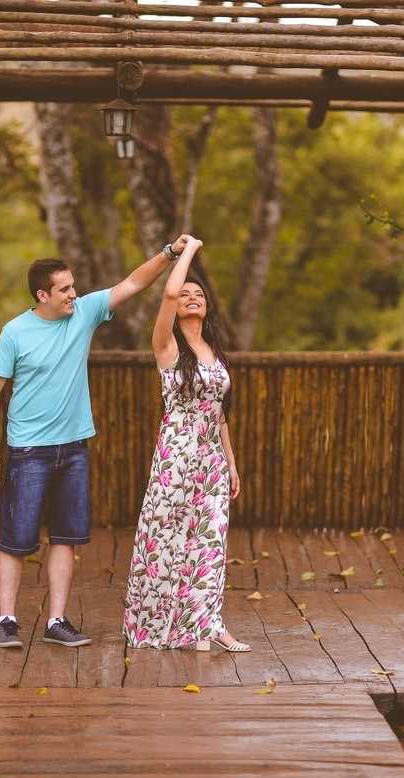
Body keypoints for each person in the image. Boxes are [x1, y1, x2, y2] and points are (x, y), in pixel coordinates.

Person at [0, 236, 191, 649]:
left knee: (67, 537)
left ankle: (56, 621)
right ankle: (6, 621)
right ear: (43, 294)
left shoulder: (85, 312)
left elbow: (133, 283)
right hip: (27, 451)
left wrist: (170, 253)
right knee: (16, 538)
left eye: (74, 286)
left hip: (74, 448)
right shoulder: (15, 333)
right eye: (65, 289)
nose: (74, 294)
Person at [123, 236, 248, 652]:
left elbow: (220, 412)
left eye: (200, 294)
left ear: (207, 306)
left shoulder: (214, 351)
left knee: (209, 543)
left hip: (211, 459)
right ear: (176, 308)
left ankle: (208, 626)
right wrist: (190, 248)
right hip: (176, 456)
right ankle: (153, 626)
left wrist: (230, 461)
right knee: (168, 540)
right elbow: (170, 289)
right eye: (187, 295)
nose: (191, 297)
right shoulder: (167, 345)